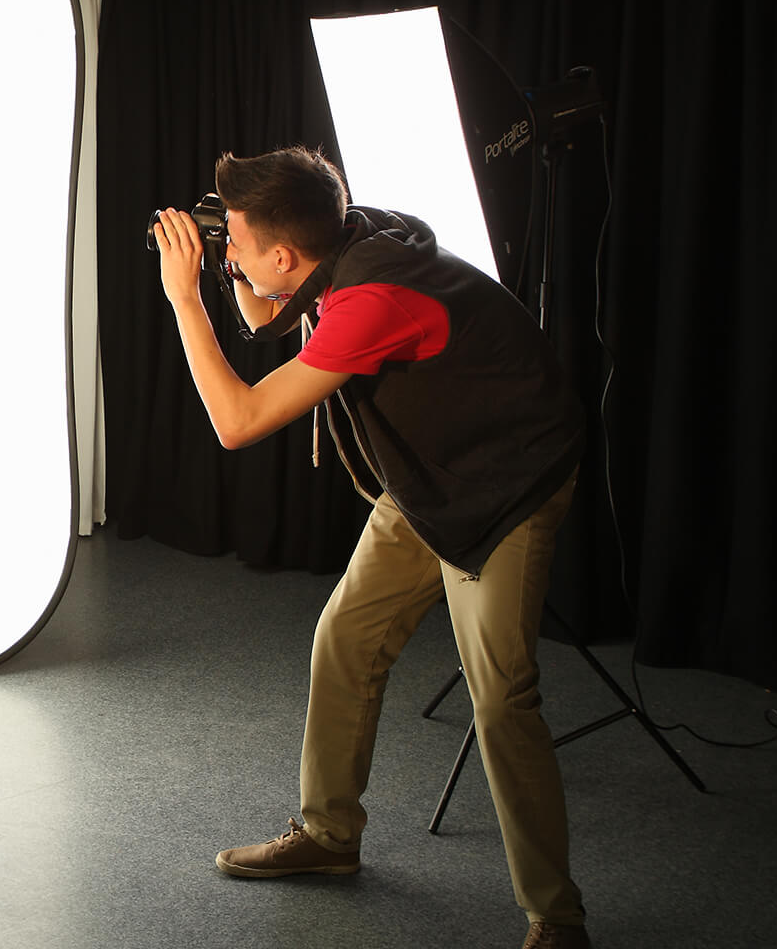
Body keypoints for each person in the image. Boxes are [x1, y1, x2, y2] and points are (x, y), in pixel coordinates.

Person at [152, 146, 590, 949]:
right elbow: (265, 314)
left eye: (241, 246)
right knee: (346, 641)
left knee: (500, 698)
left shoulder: (374, 296)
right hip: (428, 479)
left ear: (288, 251)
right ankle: (328, 836)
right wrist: (231, 265)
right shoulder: (351, 236)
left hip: (505, 486)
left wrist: (185, 297)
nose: (232, 259)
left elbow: (237, 421)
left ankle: (556, 918)